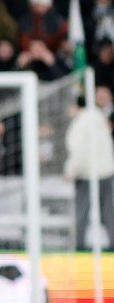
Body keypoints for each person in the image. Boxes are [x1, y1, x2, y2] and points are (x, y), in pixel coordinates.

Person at [63, 97, 114, 250]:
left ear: (75, 106)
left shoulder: (79, 124)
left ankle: (78, 247)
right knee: (108, 212)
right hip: (106, 171)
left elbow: (79, 152)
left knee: (82, 213)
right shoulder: (99, 117)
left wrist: (70, 171)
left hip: (87, 174)